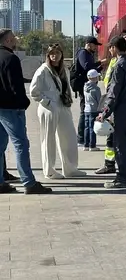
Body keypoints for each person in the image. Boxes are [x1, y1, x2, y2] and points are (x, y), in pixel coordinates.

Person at [0, 29, 52, 194]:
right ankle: (29, 182)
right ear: (7, 40)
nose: (15, 40)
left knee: (0, 146)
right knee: (21, 144)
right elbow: (15, 85)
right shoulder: (11, 58)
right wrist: (23, 103)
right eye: (13, 38)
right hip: (11, 108)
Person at [29, 44, 87, 180]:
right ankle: (49, 170)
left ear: (61, 54)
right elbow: (33, 91)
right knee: (48, 139)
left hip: (63, 105)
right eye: (52, 54)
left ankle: (70, 168)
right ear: (48, 55)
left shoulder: (64, 69)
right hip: (49, 107)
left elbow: (66, 86)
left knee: (69, 136)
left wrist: (68, 100)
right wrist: (47, 102)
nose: (54, 56)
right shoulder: (43, 70)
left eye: (57, 53)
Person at [97, 36, 126, 189]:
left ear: (114, 48)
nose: (110, 51)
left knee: (121, 145)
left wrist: (104, 112)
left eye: (110, 48)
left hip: (122, 111)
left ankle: (123, 179)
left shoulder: (119, 66)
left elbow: (113, 93)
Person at [72, 36, 106, 145]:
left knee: (86, 111)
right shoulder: (83, 53)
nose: (96, 47)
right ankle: (81, 138)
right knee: (85, 111)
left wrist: (101, 66)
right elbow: (87, 68)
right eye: (95, 45)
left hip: (88, 86)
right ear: (89, 44)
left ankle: (83, 138)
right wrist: (100, 63)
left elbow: (91, 69)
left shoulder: (88, 54)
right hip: (84, 86)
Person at [96, 53, 118, 174]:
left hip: (122, 106)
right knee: (110, 137)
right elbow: (108, 84)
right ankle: (109, 164)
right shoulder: (113, 61)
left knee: (125, 138)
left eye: (113, 47)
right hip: (111, 104)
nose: (111, 50)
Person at [83, 69, 102, 151]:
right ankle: (92, 145)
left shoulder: (85, 86)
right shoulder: (96, 88)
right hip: (94, 110)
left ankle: (86, 145)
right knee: (92, 128)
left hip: (86, 109)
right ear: (95, 78)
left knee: (86, 128)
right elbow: (99, 101)